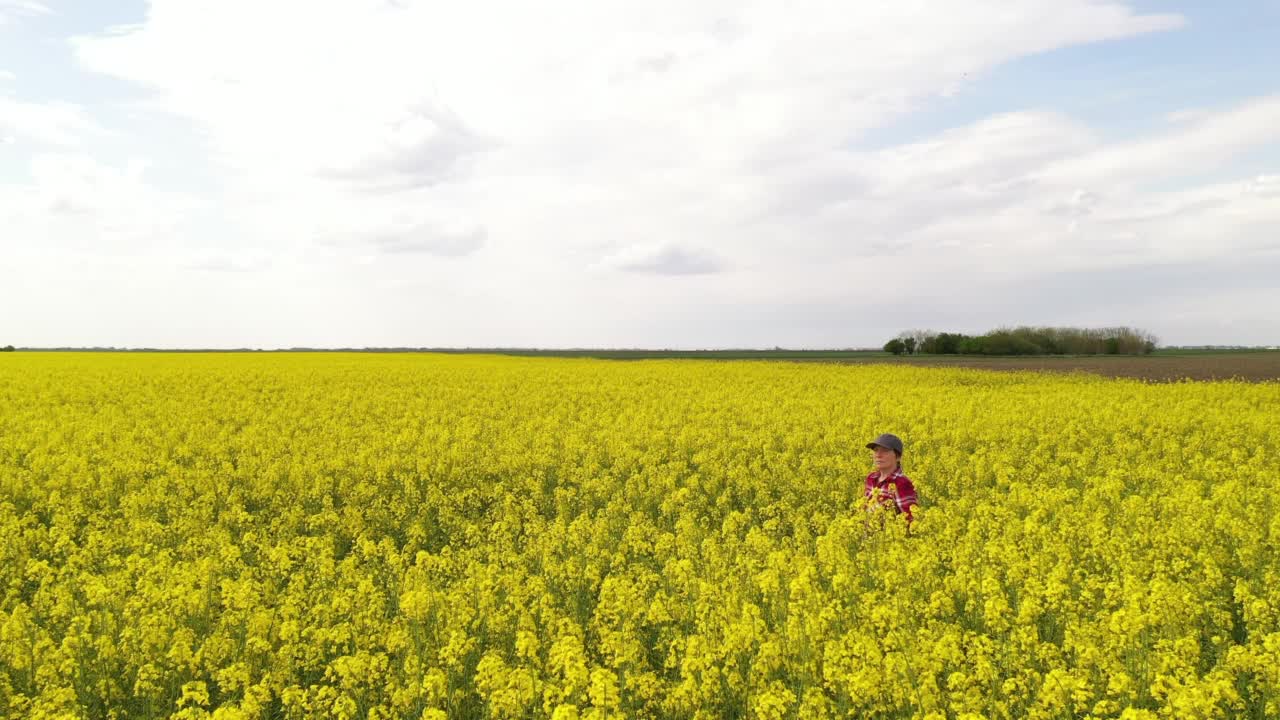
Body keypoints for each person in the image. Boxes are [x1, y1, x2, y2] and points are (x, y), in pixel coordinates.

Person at [863, 433, 918, 527]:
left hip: (889, 538)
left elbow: (910, 520)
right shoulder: (871, 478)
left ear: (898, 457)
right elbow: (864, 509)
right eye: (876, 450)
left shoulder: (902, 484)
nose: (878, 455)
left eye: (885, 451)